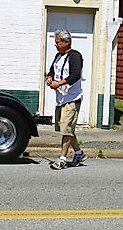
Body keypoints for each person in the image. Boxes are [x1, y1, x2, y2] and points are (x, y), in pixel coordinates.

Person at [46, 29, 87, 170]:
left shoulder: (75, 56)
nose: (56, 45)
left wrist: (60, 83)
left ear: (66, 42)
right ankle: (79, 152)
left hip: (72, 98)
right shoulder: (58, 56)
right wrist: (50, 78)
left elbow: (75, 75)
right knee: (67, 128)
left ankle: (62, 158)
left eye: (58, 42)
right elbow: (52, 70)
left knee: (66, 129)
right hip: (60, 98)